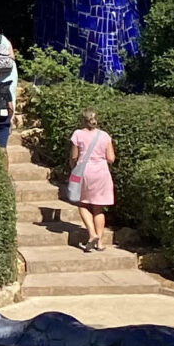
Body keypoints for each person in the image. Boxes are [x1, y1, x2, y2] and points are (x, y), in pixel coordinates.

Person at [65, 107, 115, 252]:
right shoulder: (104, 136)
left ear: (83, 119)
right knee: (98, 208)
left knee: (82, 204)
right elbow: (111, 158)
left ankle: (92, 234)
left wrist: (73, 166)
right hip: (102, 173)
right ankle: (100, 243)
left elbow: (74, 157)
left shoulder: (78, 134)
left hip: (84, 172)